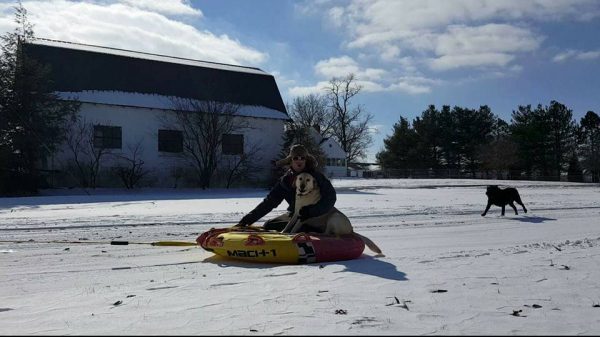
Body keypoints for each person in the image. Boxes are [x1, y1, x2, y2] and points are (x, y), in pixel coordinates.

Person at [236, 144, 336, 232]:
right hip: (294, 215)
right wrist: (246, 221)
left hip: (317, 217)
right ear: (290, 161)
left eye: (302, 158)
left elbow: (330, 197)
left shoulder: (316, 177)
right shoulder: (285, 181)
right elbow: (269, 202)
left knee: (302, 227)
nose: (299, 161)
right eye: (295, 158)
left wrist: (311, 212)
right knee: (269, 225)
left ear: (306, 160)